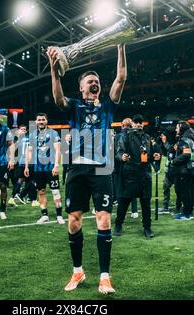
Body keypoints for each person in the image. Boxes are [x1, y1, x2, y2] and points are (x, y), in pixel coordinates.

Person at [47, 43, 127, 294]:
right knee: (74, 221)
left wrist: (120, 44)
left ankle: (105, 276)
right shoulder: (74, 106)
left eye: (97, 81)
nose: (95, 83)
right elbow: (58, 98)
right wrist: (53, 70)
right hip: (77, 169)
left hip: (102, 167)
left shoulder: (107, 106)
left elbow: (121, 77)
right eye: (90, 81)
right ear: (81, 87)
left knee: (104, 219)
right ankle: (78, 271)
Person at [114, 114, 161, 238]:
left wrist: (154, 156)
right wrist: (122, 156)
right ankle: (118, 225)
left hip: (144, 175)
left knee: (146, 204)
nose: (139, 124)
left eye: (141, 122)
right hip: (129, 174)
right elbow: (118, 152)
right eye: (136, 122)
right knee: (124, 203)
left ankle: (147, 228)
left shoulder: (147, 138)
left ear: (143, 124)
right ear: (133, 124)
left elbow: (148, 155)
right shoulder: (125, 137)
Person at [25, 113, 65, 225]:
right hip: (38, 169)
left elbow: (58, 150)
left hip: (50, 168)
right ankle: (44, 215)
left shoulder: (53, 133)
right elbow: (29, 151)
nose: (41, 121)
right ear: (36, 122)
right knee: (41, 192)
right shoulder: (32, 135)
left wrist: (56, 165)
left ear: (46, 121)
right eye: (39, 120)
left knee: (55, 192)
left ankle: (59, 216)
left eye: (43, 119)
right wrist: (27, 166)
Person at [172, 121, 194, 221]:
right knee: (189, 192)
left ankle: (186, 214)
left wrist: (174, 161)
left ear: (182, 128)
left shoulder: (185, 140)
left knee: (185, 193)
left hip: (184, 170)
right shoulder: (192, 139)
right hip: (191, 169)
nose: (176, 129)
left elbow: (186, 155)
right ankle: (188, 212)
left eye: (177, 127)